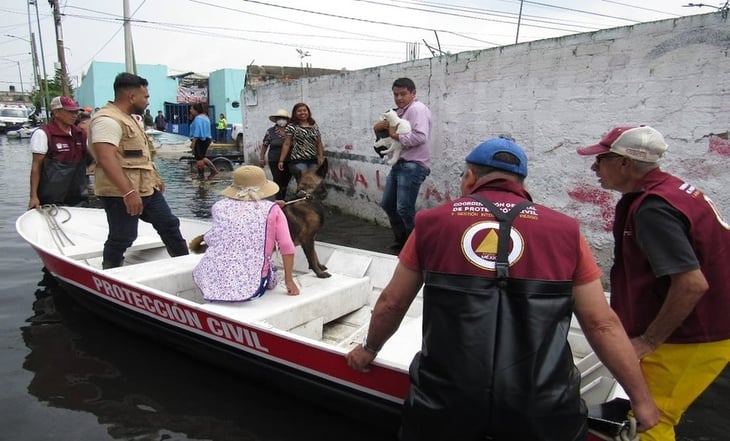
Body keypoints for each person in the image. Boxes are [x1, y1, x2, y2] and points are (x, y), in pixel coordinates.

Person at [346, 136, 659, 441]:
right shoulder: (566, 230)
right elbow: (601, 324)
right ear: (522, 184)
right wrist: (641, 400)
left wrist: (369, 349)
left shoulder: (431, 223)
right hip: (542, 407)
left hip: (446, 401)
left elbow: (391, 302)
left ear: (470, 177)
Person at [577, 125, 730, 441]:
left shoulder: (654, 208)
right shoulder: (674, 191)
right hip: (703, 327)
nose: (594, 167)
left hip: (692, 335)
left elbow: (691, 284)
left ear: (625, 163)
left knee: (647, 421)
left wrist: (648, 340)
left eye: (601, 159)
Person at [89, 72, 189, 269]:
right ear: (131, 97)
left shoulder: (129, 119)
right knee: (123, 236)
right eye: (146, 97)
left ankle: (185, 264)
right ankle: (111, 272)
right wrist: (128, 192)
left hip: (146, 189)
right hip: (120, 192)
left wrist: (156, 178)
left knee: (169, 224)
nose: (148, 101)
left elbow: (139, 156)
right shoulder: (108, 120)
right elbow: (106, 158)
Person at [193, 165, 300, 301]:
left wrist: (272, 208)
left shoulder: (218, 206)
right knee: (269, 273)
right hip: (252, 284)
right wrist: (289, 281)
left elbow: (218, 235)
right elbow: (287, 247)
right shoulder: (272, 210)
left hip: (211, 277)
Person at [372, 77, 432, 251]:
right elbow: (388, 138)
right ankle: (403, 241)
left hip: (413, 164)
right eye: (396, 94)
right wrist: (378, 129)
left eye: (403, 94)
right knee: (388, 204)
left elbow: (420, 137)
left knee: (404, 208)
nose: (399, 98)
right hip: (400, 164)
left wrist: (394, 134)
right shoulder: (399, 112)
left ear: (413, 93)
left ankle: (415, 246)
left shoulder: (416, 109)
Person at [28, 95, 89, 209]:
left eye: (76, 112)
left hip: (78, 197)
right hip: (50, 198)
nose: (74, 115)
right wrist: (33, 196)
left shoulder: (81, 134)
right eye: (70, 112)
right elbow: (36, 166)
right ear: (56, 112)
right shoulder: (43, 134)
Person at [277, 102, 324, 180]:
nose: (302, 113)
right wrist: (281, 160)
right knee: (303, 182)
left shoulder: (314, 125)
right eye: (299, 111)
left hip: (313, 159)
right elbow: (287, 144)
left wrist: (321, 157)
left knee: (313, 182)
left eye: (304, 110)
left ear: (308, 112)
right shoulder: (291, 126)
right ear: (295, 113)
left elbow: (319, 143)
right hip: (298, 160)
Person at [259, 109, 293, 200]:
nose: (281, 120)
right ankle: (278, 199)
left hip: (289, 160)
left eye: (283, 118)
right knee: (277, 179)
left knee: (286, 180)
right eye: (279, 118)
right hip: (274, 159)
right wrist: (262, 157)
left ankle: (283, 198)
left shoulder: (291, 131)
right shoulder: (270, 131)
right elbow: (265, 144)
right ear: (276, 120)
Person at [189, 103, 219, 180]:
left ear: (196, 110)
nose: (190, 110)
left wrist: (193, 143)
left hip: (200, 140)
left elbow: (197, 131)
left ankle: (201, 175)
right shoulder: (205, 117)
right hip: (206, 139)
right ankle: (214, 170)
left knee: (199, 159)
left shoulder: (198, 118)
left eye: (192, 109)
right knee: (202, 157)